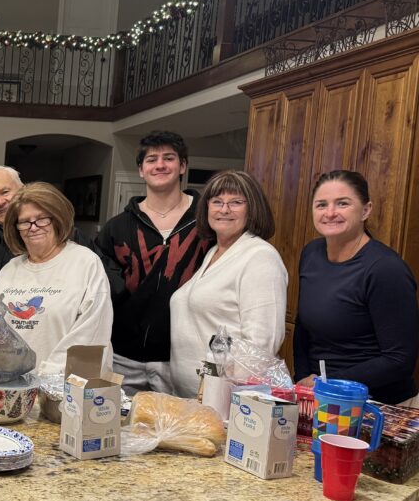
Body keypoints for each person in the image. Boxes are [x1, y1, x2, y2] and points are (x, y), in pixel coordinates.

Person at [95, 130, 209, 395]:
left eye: (168, 158)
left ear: (182, 166)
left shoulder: (207, 222)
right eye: (152, 159)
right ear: (141, 170)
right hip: (124, 358)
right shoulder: (116, 228)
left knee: (181, 435)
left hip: (184, 360)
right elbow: (105, 291)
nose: (160, 165)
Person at [294, 170, 418, 406]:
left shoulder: (385, 269)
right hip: (319, 397)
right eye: (321, 204)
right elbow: (303, 326)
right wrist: (302, 379)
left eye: (342, 203)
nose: (330, 213)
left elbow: (399, 360)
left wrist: (327, 382)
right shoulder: (311, 254)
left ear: (366, 210)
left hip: (378, 404)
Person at [169, 171, 287, 398]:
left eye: (236, 203)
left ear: (252, 209)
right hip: (191, 397)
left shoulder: (260, 257)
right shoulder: (215, 252)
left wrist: (219, 393)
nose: (224, 210)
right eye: (217, 202)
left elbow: (261, 345)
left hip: (224, 399)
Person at [0, 182, 113, 377]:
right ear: (16, 228)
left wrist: (48, 375)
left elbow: (92, 331)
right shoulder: (8, 271)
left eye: (41, 219)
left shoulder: (85, 262)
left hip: (67, 387)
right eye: (24, 221)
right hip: (16, 387)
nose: (33, 227)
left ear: (56, 219)